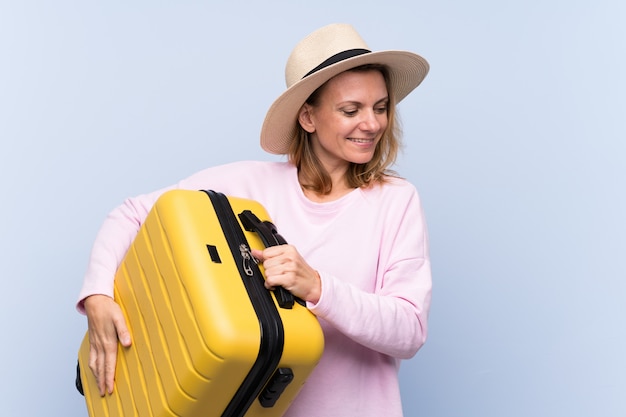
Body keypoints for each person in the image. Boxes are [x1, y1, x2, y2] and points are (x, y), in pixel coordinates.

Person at [77, 23, 432, 416]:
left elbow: (409, 330)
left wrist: (316, 286)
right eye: (351, 110)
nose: (372, 124)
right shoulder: (243, 184)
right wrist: (97, 295)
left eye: (381, 108)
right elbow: (131, 214)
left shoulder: (395, 201)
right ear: (308, 118)